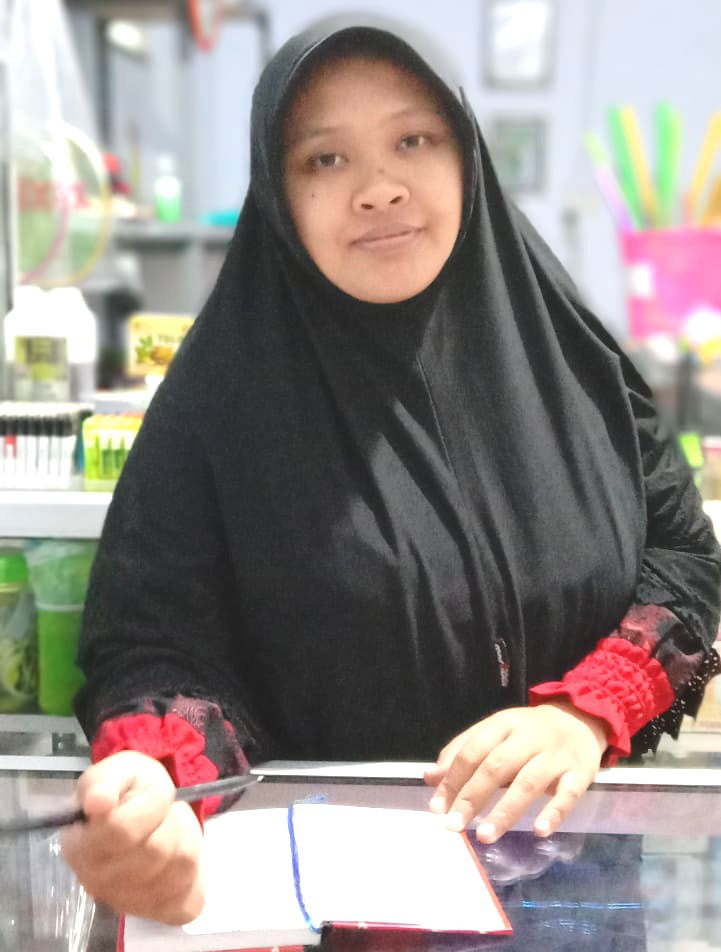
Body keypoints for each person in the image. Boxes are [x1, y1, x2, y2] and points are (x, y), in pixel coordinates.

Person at [61, 16, 720, 927]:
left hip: (576, 903)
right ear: (278, 192)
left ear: (465, 157)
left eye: (413, 140)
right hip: (330, 912)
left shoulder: (574, 361)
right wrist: (158, 785)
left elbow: (685, 559)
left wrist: (584, 712)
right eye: (325, 159)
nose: (378, 189)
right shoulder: (220, 402)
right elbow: (156, 642)